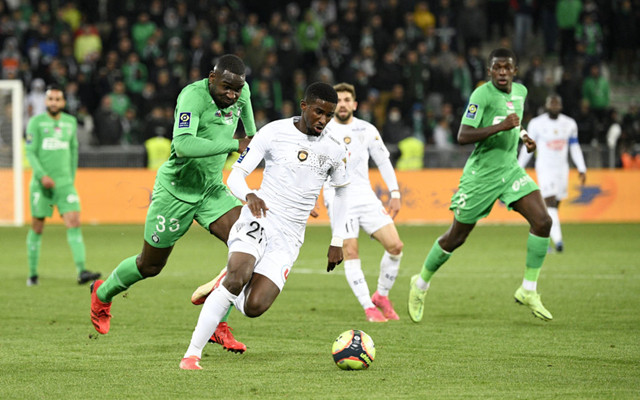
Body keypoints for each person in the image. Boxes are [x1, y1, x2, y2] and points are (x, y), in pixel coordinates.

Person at [90, 55, 256, 354]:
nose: (232, 95)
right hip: (176, 192)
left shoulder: (240, 93)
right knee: (150, 265)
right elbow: (183, 145)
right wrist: (235, 144)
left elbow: (252, 136)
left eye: (237, 89)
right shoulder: (192, 96)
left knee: (249, 246)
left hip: (211, 190)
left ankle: (218, 323)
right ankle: (102, 294)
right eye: (227, 88)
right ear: (211, 78)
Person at [180, 82, 349, 370]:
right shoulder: (273, 132)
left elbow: (343, 191)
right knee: (238, 278)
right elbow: (235, 176)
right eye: (319, 112)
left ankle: (223, 281)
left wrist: (338, 240)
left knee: (253, 307)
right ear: (304, 106)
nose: (323, 120)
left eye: (329, 115)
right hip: (260, 218)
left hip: (291, 235)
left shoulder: (334, 148)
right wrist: (249, 195)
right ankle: (191, 355)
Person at [407, 48, 554, 323]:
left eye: (506, 68)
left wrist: (524, 136)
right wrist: (501, 128)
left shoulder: (520, 92)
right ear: (489, 72)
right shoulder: (481, 95)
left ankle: (528, 290)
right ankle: (421, 283)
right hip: (482, 175)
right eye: (496, 68)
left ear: (514, 71)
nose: (501, 72)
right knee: (456, 237)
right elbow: (463, 135)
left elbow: (514, 119)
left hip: (509, 170)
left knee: (544, 222)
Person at [321, 82, 404, 322]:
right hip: (338, 198)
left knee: (395, 246)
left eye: (348, 99)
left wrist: (395, 193)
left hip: (366, 196)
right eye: (339, 100)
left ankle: (381, 295)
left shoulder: (367, 130)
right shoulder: (323, 131)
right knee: (351, 250)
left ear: (355, 104)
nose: (344, 104)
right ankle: (368, 307)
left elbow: (384, 161)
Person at [25, 84, 101, 286]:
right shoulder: (36, 122)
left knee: (74, 222)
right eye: (51, 99)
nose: (54, 102)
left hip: (65, 184)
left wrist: (70, 178)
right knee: (38, 226)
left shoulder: (70, 122)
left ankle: (82, 271)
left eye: (58, 99)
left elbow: (74, 151)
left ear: (63, 102)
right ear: (45, 101)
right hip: (41, 184)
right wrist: (41, 176)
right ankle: (32, 274)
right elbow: (30, 152)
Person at [518, 94, 587, 253]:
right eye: (552, 104)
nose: (554, 107)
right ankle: (558, 241)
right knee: (549, 203)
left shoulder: (569, 124)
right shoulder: (536, 124)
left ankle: (546, 238)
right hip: (545, 168)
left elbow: (574, 147)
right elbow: (529, 147)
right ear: (547, 106)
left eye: (557, 104)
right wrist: (519, 167)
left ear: (561, 107)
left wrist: (581, 168)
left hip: (562, 169)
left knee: (555, 205)